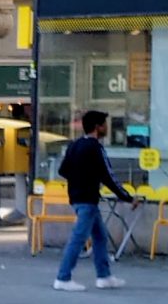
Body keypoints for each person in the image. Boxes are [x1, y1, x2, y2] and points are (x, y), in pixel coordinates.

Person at [54, 109, 134, 291]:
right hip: (88, 200)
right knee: (78, 238)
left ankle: (104, 276)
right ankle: (63, 277)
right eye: (104, 124)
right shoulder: (95, 148)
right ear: (98, 127)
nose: (107, 127)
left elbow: (63, 170)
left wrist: (79, 179)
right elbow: (108, 176)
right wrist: (127, 198)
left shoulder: (74, 145)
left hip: (76, 198)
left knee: (99, 236)